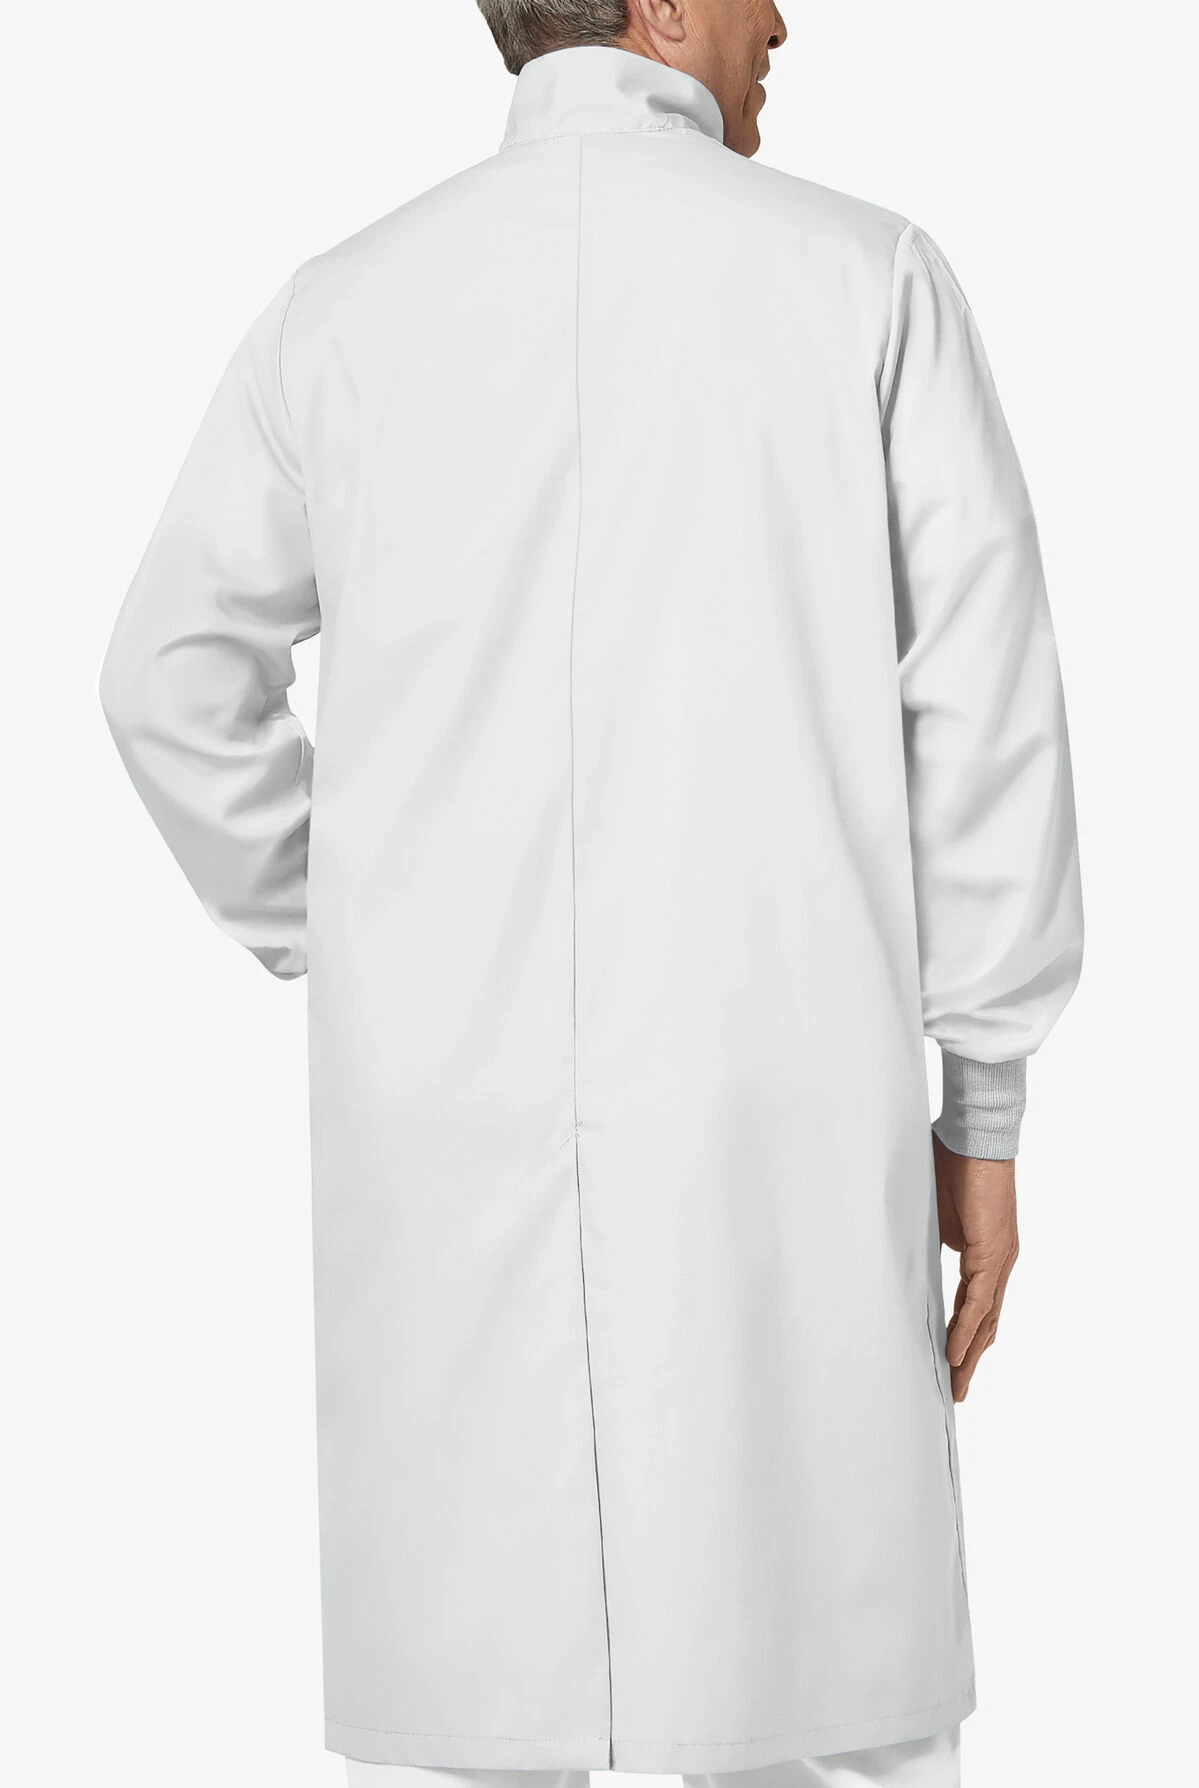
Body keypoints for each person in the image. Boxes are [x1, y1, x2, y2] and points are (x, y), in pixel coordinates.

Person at [99, 2, 1084, 1785]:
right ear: (659, 3)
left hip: (436, 1145)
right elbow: (984, 721)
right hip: (781, 1127)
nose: (781, 18)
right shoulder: (864, 282)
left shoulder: (341, 313)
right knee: (826, 1714)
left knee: (469, 1724)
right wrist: (986, 1111)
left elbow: (167, 677)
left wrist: (356, 931)